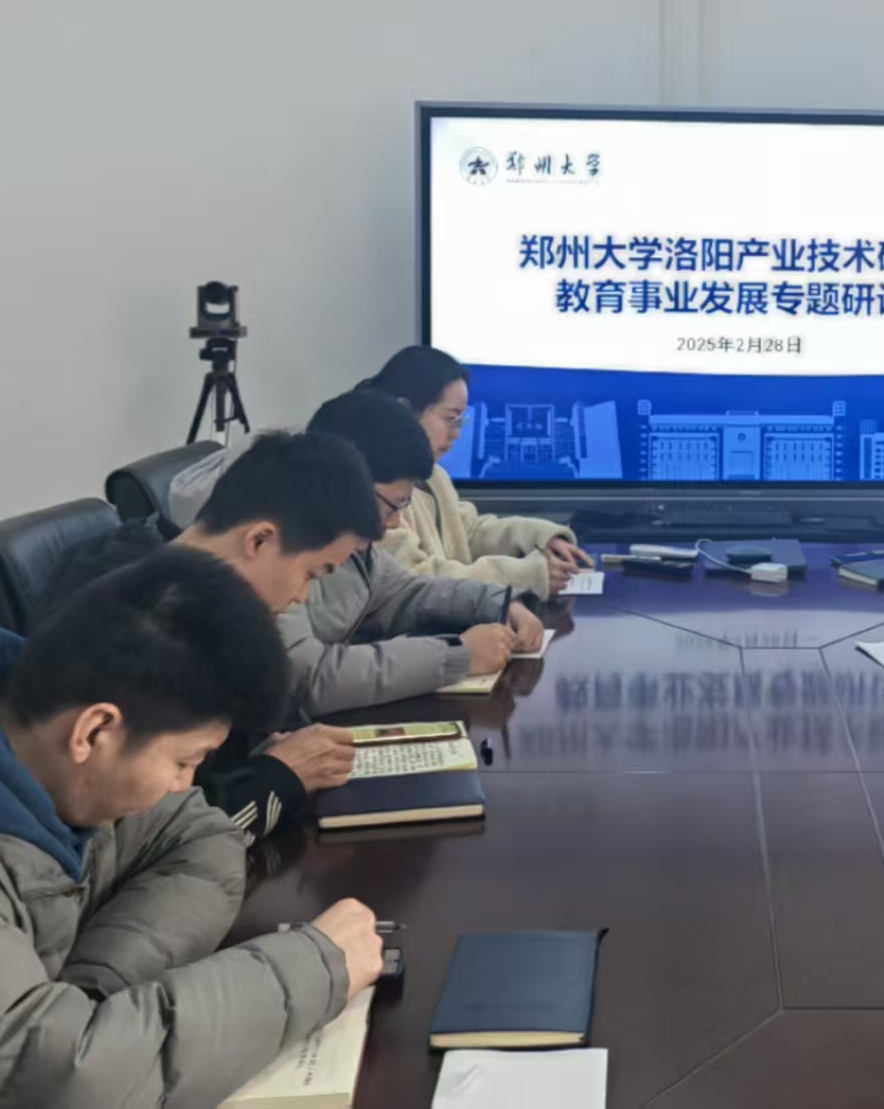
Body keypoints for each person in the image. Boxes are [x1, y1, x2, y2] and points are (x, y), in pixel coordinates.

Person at [0, 550, 385, 1108]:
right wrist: (312, 967)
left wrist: (97, 992)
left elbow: (201, 835)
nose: (185, 784)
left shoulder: (33, 760)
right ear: (94, 732)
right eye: (185, 760)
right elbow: (61, 1082)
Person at [43, 430, 379, 841]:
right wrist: (278, 777)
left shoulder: (179, 584)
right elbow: (130, 837)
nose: (301, 597)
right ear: (259, 539)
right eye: (311, 573)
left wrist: (267, 756)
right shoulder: (140, 626)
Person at [170, 389, 545, 715]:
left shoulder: (326, 542)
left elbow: (400, 591)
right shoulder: (280, 544)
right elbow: (307, 678)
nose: (395, 523)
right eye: (394, 505)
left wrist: (499, 603)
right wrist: (457, 655)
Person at [360, 345, 593, 598]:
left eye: (461, 421)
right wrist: (527, 576)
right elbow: (414, 577)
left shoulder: (435, 476)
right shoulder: (378, 486)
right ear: (404, 410)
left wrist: (540, 538)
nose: (457, 434)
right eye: (450, 418)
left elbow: (468, 533)